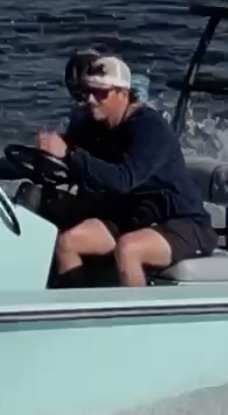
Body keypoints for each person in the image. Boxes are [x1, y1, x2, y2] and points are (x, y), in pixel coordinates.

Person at [31, 50, 215, 288]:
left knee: (129, 249)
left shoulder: (150, 128)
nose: (91, 99)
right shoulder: (100, 126)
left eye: (101, 93)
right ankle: (76, 315)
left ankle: (137, 321)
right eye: (88, 92)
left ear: (122, 93)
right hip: (135, 217)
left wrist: (69, 153)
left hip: (182, 223)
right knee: (69, 242)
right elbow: (82, 159)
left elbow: (123, 179)